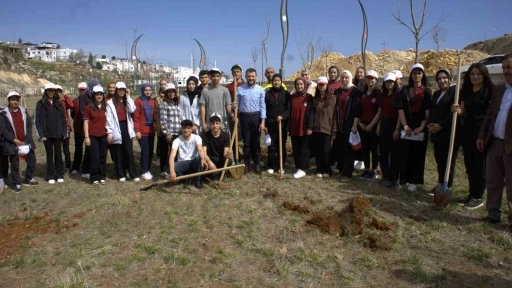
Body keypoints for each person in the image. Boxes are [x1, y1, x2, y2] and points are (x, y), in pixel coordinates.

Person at [452, 63, 495, 209]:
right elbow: (463, 112)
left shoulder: (489, 91)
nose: (475, 77)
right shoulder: (467, 91)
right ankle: (472, 192)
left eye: (478, 74)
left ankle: (478, 196)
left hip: (481, 131)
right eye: (472, 74)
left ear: (484, 75)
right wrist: (457, 110)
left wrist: (485, 134)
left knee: (479, 164)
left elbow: (491, 114)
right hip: (468, 130)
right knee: (469, 163)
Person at [476, 53, 512, 225]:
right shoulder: (499, 90)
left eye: (509, 67)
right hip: (494, 143)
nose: (506, 71)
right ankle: (493, 214)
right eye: (504, 67)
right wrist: (482, 136)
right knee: (493, 181)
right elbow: (489, 116)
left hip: (510, 145)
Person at [395, 63, 432, 192]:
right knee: (404, 154)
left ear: (422, 75)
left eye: (419, 73)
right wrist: (405, 126)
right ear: (411, 74)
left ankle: (414, 180)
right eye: (414, 73)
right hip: (407, 123)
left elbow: (428, 111)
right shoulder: (405, 90)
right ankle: (403, 179)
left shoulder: (427, 91)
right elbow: (400, 108)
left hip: (420, 125)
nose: (417, 75)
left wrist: (421, 127)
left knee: (418, 154)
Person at [428, 69, 460, 195]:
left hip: (448, 133)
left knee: (448, 162)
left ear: (449, 78)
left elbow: (452, 114)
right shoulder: (436, 94)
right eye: (439, 79)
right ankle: (441, 183)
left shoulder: (455, 92)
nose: (442, 80)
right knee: (439, 160)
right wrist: (431, 124)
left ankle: (447, 186)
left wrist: (440, 126)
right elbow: (433, 111)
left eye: (444, 78)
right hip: (436, 134)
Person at [0, 91, 39, 192]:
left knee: (32, 161)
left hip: (26, 140)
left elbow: (29, 125)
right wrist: (14, 140)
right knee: (15, 164)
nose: (15, 102)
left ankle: (28, 178)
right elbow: (3, 130)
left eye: (17, 100)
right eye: (13, 100)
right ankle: (17, 182)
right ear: (9, 101)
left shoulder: (23, 111)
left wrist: (28, 137)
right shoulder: (4, 114)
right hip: (12, 142)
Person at [105, 82, 139, 182]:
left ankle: (133, 174)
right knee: (118, 152)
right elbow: (109, 119)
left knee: (129, 152)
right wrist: (110, 133)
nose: (121, 92)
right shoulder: (110, 103)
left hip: (126, 127)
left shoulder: (126, 101)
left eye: (123, 90)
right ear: (116, 90)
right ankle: (121, 174)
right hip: (116, 127)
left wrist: (128, 97)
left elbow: (132, 109)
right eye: (119, 90)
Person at [234, 68, 266, 174]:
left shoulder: (261, 90)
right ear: (246, 77)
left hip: (256, 117)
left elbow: (263, 106)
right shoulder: (240, 89)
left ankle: (257, 164)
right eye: (249, 76)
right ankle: (246, 164)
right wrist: (235, 106)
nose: (251, 78)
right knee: (246, 142)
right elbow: (236, 104)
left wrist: (262, 122)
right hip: (245, 117)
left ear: (256, 77)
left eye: (253, 76)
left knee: (256, 142)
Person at [35, 83, 67, 184]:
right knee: (49, 155)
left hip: (58, 134)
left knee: (58, 154)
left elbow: (63, 119)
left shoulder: (59, 103)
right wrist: (41, 135)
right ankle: (51, 175)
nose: (51, 92)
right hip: (46, 135)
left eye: (53, 91)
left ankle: (60, 174)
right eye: (49, 90)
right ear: (45, 91)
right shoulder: (40, 104)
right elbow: (37, 121)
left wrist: (64, 132)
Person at [332, 70, 361, 181]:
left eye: (346, 78)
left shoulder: (355, 92)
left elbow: (357, 110)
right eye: (342, 78)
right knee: (339, 148)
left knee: (349, 150)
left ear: (350, 78)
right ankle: (341, 170)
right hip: (339, 125)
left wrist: (355, 125)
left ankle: (348, 173)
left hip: (350, 125)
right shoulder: (337, 91)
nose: (344, 80)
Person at [169, 119, 208, 190]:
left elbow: (200, 149)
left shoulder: (197, 137)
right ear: (181, 129)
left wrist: (202, 158)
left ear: (191, 129)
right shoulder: (177, 140)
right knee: (172, 166)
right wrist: (172, 171)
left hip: (194, 162)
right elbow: (172, 156)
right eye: (184, 128)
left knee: (199, 159)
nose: (186, 130)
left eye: (188, 128)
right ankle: (183, 179)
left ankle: (197, 181)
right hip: (183, 163)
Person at [264, 74, 290, 174]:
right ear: (272, 82)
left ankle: (281, 166)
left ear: (281, 81)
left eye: (278, 80)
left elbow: (288, 109)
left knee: (281, 145)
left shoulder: (286, 93)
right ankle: (271, 165)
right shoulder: (268, 94)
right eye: (275, 80)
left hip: (282, 125)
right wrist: (265, 124)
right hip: (271, 123)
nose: (276, 82)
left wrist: (282, 116)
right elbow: (265, 109)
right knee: (271, 145)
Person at [288, 77, 314, 179]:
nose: (299, 86)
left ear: (305, 85)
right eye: (298, 84)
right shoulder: (292, 97)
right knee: (296, 148)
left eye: (301, 84)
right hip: (294, 127)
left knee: (304, 148)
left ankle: (303, 168)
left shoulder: (309, 98)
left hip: (304, 127)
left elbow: (311, 114)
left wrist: (309, 127)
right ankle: (297, 166)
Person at [311, 76, 337, 178]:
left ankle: (327, 169)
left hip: (327, 128)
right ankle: (319, 168)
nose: (322, 86)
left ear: (327, 85)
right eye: (320, 84)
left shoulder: (333, 98)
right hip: (316, 128)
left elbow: (335, 115)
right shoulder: (315, 100)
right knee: (318, 149)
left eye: (323, 84)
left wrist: (334, 129)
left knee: (326, 150)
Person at [379, 73, 401, 188]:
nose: (389, 84)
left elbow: (399, 114)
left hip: (394, 124)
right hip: (384, 123)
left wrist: (397, 129)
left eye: (391, 82)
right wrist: (379, 125)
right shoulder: (384, 95)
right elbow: (381, 111)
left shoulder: (398, 95)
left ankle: (393, 177)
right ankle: (385, 174)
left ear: (395, 82)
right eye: (387, 82)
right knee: (383, 151)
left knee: (394, 153)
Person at [358, 70, 381, 180]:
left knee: (374, 149)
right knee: (365, 148)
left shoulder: (378, 93)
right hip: (363, 124)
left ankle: (374, 170)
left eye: (372, 78)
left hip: (374, 125)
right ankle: (366, 169)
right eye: (368, 78)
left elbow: (380, 111)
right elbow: (358, 110)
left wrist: (372, 125)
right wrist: (359, 123)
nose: (370, 80)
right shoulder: (362, 93)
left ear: (376, 80)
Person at [83, 86, 108, 185]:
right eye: (97, 94)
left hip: (103, 135)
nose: (99, 96)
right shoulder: (88, 108)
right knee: (94, 157)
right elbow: (85, 123)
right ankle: (94, 177)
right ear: (93, 96)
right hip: (93, 135)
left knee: (103, 156)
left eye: (101, 94)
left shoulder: (106, 107)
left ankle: (102, 176)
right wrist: (86, 137)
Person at [133, 83, 156, 180]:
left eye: (149, 90)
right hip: (142, 131)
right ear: (143, 90)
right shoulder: (139, 101)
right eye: (146, 90)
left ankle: (147, 169)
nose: (148, 92)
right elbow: (136, 117)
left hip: (151, 131)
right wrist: (137, 130)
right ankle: (143, 171)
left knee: (150, 151)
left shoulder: (152, 101)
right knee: (145, 151)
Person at [159, 83, 183, 177]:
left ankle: (174, 169)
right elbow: (163, 120)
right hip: (169, 133)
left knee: (175, 153)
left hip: (177, 132)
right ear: (166, 93)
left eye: (173, 91)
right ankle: (163, 170)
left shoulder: (177, 104)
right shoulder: (164, 105)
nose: (171, 93)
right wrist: (167, 133)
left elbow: (180, 118)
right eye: (169, 92)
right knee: (165, 152)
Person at [199, 68, 232, 133]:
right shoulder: (205, 90)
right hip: (210, 124)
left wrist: (232, 115)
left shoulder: (225, 90)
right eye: (213, 76)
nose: (215, 78)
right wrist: (203, 123)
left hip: (223, 124)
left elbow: (228, 106)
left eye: (217, 76)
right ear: (210, 77)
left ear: (220, 77)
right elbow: (202, 107)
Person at [70, 82, 90, 178]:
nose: (82, 91)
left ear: (86, 90)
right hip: (78, 128)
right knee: (78, 148)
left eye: (83, 90)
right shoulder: (75, 101)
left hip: (87, 128)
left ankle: (86, 167)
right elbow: (72, 114)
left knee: (87, 148)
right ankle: (75, 167)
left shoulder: (90, 100)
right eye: (80, 90)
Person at [55, 84, 74, 175]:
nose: (58, 93)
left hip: (65, 128)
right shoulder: (52, 102)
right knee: (57, 149)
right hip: (56, 129)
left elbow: (71, 105)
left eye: (60, 91)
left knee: (66, 149)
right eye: (56, 91)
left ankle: (68, 167)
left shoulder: (64, 102)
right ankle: (58, 167)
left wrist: (66, 96)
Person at [154, 78, 168, 167]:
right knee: (161, 142)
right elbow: (156, 112)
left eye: (165, 84)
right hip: (161, 124)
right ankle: (160, 157)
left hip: (171, 124)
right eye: (161, 84)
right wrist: (157, 124)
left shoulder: (172, 96)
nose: (163, 86)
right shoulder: (158, 98)